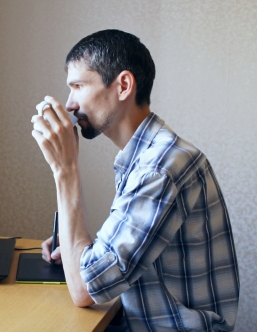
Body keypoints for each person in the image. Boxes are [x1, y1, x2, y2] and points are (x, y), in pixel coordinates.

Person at [31, 29, 240, 331]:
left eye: (78, 86)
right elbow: (113, 259)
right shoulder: (146, 157)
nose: (71, 104)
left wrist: (65, 169)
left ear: (124, 85)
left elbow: (85, 290)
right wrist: (76, 250)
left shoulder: (159, 168)